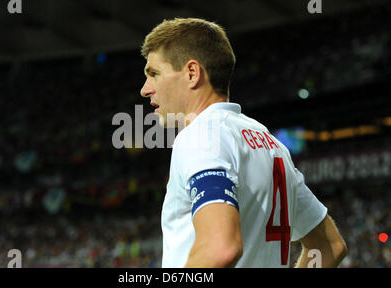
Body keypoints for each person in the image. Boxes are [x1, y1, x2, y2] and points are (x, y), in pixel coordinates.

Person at [140, 18, 347, 268]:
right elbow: (329, 247)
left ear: (192, 73)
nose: (145, 89)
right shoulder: (271, 144)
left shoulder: (202, 136)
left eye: (154, 74)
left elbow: (220, 248)